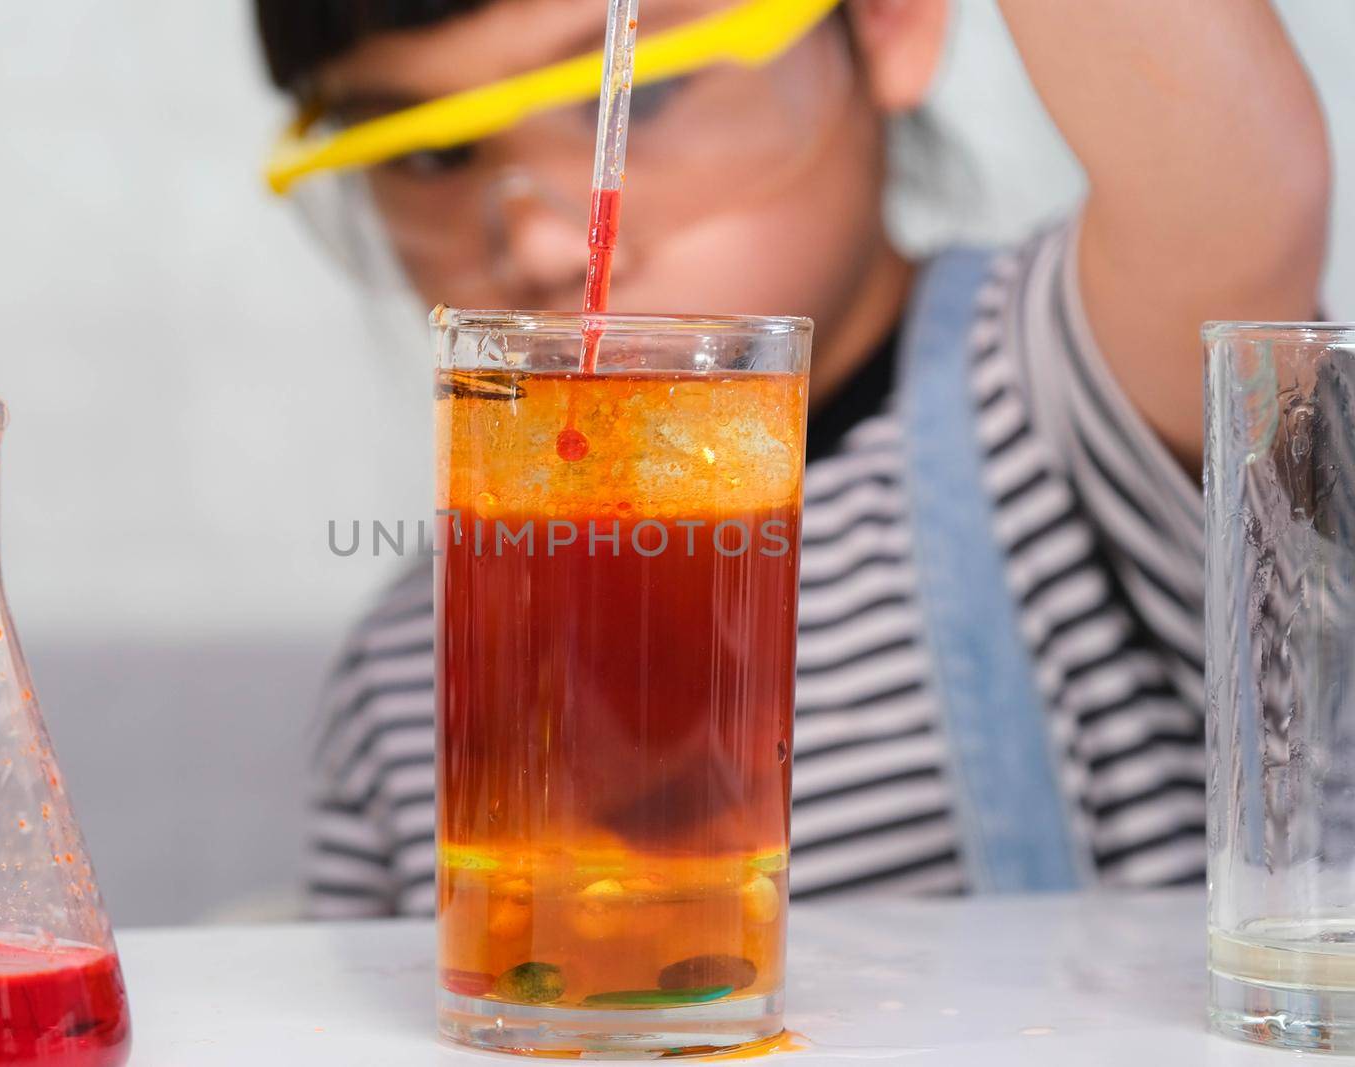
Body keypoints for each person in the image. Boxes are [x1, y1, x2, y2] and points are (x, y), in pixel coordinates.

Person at [255, 0, 1331, 918]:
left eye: (638, 94)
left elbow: (1244, 193)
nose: (541, 246)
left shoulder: (1058, 385)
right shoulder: (404, 673)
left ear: (885, 21)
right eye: (427, 153)